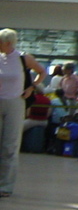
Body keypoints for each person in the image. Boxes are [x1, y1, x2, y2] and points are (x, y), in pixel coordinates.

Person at [0, 28, 48, 197]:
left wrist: (32, 87)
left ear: (8, 43)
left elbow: (42, 71)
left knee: (10, 145)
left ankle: (5, 186)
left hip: (15, 102)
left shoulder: (23, 58)